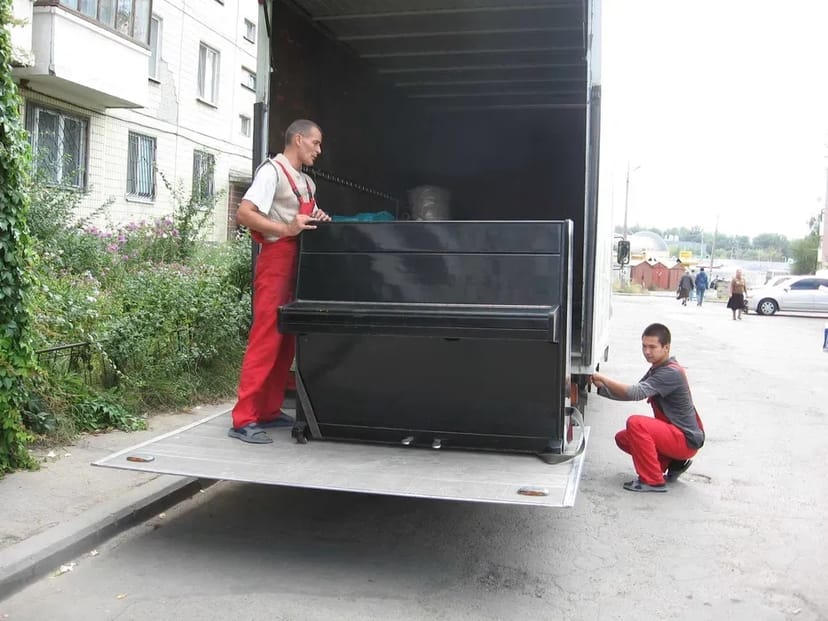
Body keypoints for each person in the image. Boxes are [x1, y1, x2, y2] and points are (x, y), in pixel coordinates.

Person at [228, 119, 332, 444]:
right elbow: (245, 213)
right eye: (315, 143)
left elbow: (301, 217)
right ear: (298, 139)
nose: (319, 150)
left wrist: (318, 217)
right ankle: (243, 417)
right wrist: (287, 229)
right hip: (275, 264)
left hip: (297, 267)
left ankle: (270, 410)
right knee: (265, 340)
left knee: (286, 341)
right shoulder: (271, 172)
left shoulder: (307, 183)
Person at [590, 323, 705, 493]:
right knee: (624, 438)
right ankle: (671, 462)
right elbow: (632, 393)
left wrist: (603, 378)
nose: (647, 351)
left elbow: (634, 393)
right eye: (644, 346)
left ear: (666, 347)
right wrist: (599, 387)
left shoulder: (670, 373)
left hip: (686, 440)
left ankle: (652, 481)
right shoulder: (657, 369)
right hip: (676, 436)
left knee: (636, 424)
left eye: (652, 347)